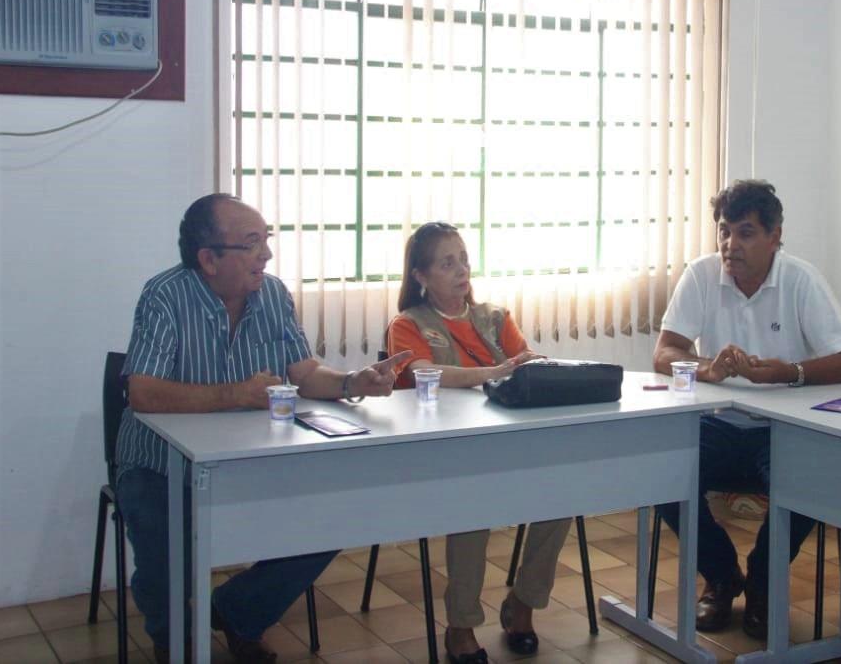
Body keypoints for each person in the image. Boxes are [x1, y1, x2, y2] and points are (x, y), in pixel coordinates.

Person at [117, 194, 409, 664]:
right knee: (162, 546)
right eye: (252, 243)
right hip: (160, 464)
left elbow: (304, 373)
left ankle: (237, 613)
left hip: (253, 457)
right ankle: (175, 638)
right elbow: (143, 392)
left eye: (266, 240)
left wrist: (353, 382)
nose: (266, 254)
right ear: (208, 259)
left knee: (335, 514)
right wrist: (236, 394)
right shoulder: (165, 295)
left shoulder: (272, 294)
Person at [652, 179, 841, 640]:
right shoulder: (701, 275)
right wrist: (706, 368)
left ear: (774, 236)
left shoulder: (801, 280)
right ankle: (722, 575)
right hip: (716, 423)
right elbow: (664, 352)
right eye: (724, 231)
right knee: (660, 473)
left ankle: (764, 583)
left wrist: (790, 373)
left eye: (745, 233)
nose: (731, 245)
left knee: (809, 483)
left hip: (781, 428)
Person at [386, 222, 568, 664]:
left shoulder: (495, 318)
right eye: (447, 263)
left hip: (508, 443)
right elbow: (425, 373)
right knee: (475, 502)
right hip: (445, 454)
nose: (462, 270)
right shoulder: (407, 325)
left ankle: (523, 602)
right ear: (420, 276)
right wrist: (493, 372)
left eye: (464, 259)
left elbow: (526, 366)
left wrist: (531, 366)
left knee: (564, 491)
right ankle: (461, 625)